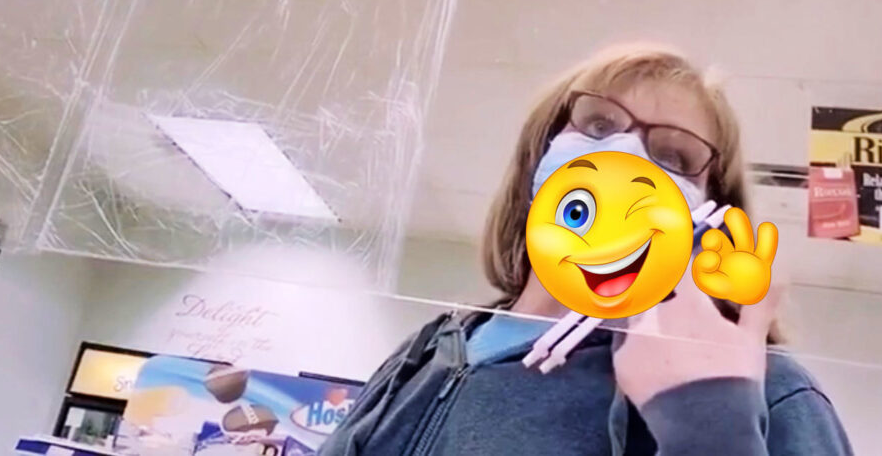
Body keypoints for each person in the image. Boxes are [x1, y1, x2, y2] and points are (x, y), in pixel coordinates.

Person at [319, 44, 853, 455]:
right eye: (599, 125)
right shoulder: (431, 347)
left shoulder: (762, 390)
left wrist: (712, 428)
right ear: (541, 154)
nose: (625, 158)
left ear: (709, 215)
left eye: (673, 156)